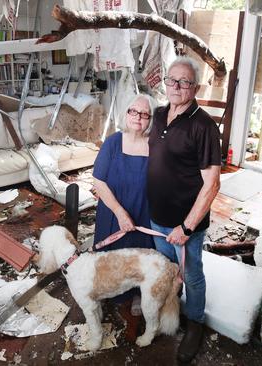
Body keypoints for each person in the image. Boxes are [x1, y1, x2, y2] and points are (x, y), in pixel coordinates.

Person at [147, 57, 221, 363]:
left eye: (184, 82)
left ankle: (195, 324)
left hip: (184, 225)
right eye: (171, 80)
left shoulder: (204, 126)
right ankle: (170, 311)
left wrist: (187, 228)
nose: (176, 87)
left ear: (196, 87)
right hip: (156, 218)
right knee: (167, 271)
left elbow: (212, 184)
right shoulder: (159, 114)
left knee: (192, 276)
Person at [92, 94, 156, 338]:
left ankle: (137, 293)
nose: (137, 117)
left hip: (143, 210)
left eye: (144, 113)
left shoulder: (155, 145)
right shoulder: (113, 142)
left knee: (140, 255)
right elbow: (98, 180)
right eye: (133, 111)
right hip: (113, 211)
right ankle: (110, 291)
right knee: (111, 255)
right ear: (126, 113)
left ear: (150, 118)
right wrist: (119, 212)